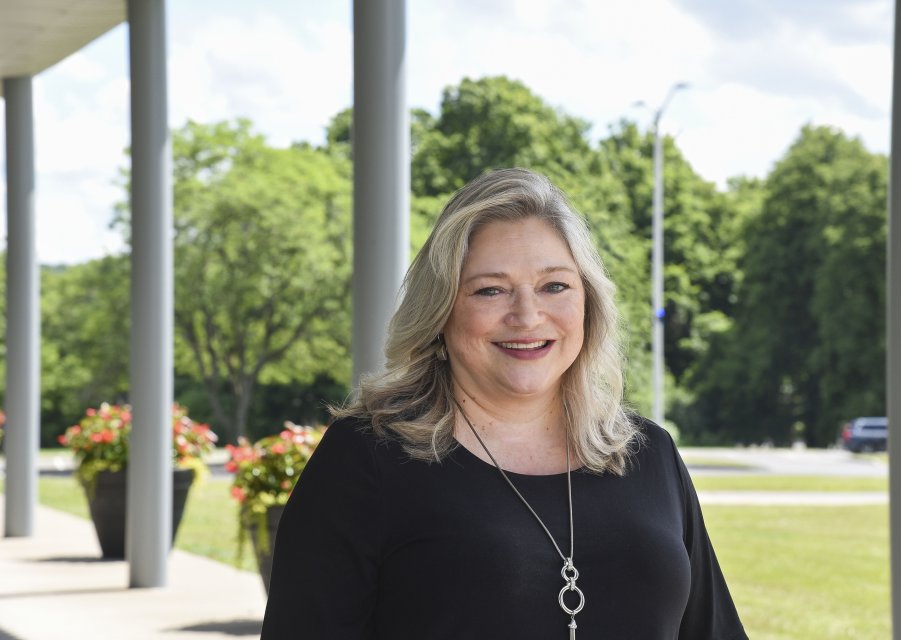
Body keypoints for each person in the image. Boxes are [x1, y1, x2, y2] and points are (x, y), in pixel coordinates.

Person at [261, 168, 747, 639]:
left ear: (587, 304)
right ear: (440, 312)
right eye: (490, 290)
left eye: (554, 286)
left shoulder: (649, 454)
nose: (527, 315)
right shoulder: (367, 457)